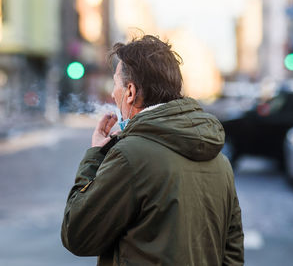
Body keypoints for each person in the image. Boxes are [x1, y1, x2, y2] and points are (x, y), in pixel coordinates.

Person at [61, 35, 244, 265]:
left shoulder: (130, 156)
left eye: (115, 84)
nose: (112, 94)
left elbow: (77, 234)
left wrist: (95, 155)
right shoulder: (220, 161)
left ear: (130, 92)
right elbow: (233, 252)